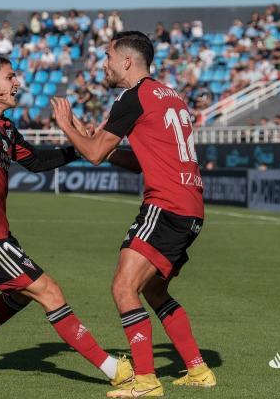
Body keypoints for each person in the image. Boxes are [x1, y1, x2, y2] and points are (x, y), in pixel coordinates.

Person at [0, 55, 133, 389]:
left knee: (20, 295)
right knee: (50, 291)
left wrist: (77, 144)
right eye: (10, 76)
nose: (17, 82)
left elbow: (38, 162)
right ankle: (113, 369)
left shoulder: (7, 128)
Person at [52, 31, 216, 397]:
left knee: (124, 287)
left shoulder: (133, 97)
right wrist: (95, 144)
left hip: (167, 204)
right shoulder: (169, 94)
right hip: (190, 205)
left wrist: (68, 129)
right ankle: (198, 369)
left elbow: (93, 153)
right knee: (154, 290)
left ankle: (145, 379)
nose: (104, 65)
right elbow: (133, 161)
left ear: (126, 61)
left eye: (108, 57)